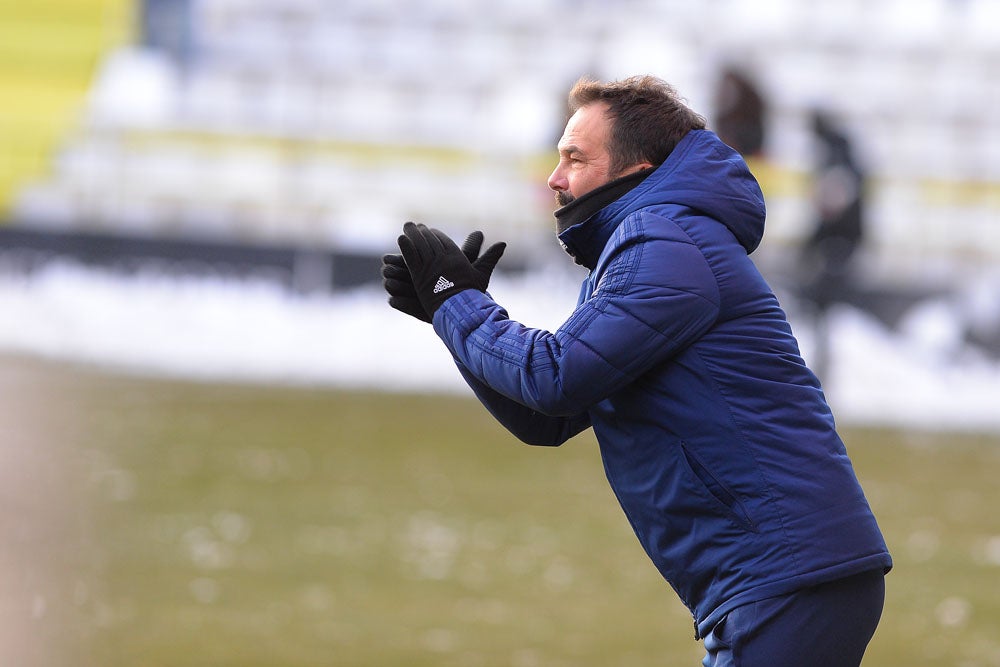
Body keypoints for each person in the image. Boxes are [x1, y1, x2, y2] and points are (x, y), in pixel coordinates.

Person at [381, 75, 891, 666]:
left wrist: (457, 300)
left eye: (574, 157)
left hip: (787, 582)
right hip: (783, 581)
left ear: (636, 169)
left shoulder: (664, 240)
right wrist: (449, 315)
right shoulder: (649, 242)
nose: (554, 177)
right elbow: (546, 417)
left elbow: (555, 377)